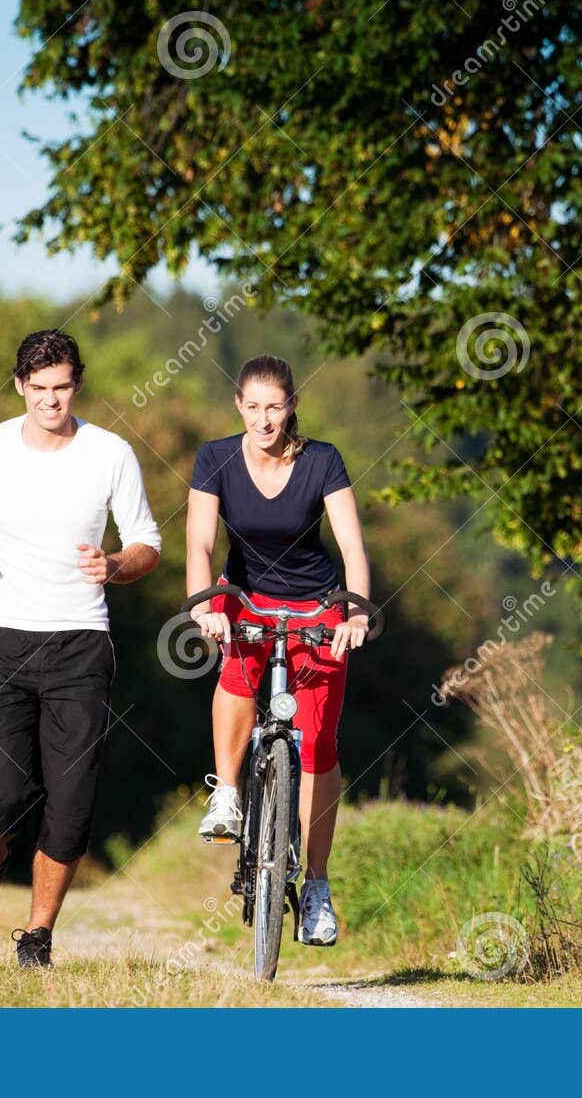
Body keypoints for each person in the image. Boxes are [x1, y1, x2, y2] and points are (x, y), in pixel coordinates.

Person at [0, 329, 162, 968]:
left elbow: (146, 542)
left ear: (77, 383)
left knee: (71, 806)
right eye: (38, 389)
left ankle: (37, 937)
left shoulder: (111, 452)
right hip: (1, 638)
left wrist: (115, 565)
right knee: (0, 796)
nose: (50, 400)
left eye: (61, 387)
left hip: (80, 642)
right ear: (20, 386)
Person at [185, 354, 372, 946]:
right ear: (238, 405)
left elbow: (351, 544)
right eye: (254, 407)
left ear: (292, 407)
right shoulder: (215, 458)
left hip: (316, 605)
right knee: (237, 676)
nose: (265, 419)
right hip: (247, 600)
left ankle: (316, 886)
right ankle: (230, 794)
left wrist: (356, 607)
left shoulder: (323, 460)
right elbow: (200, 541)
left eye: (276, 407)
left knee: (318, 743)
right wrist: (203, 602)